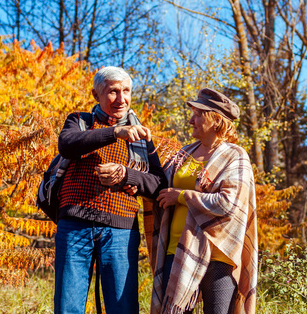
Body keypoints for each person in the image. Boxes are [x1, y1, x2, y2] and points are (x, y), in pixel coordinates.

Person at [54, 66, 166, 314]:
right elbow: (67, 145)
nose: (121, 98)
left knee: (122, 306)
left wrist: (127, 175)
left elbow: (158, 183)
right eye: (113, 91)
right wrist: (115, 132)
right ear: (96, 95)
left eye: (126, 91)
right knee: (67, 306)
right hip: (74, 224)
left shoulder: (142, 136)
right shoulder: (80, 121)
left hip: (121, 229)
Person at [146, 88, 258, 314]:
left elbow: (228, 203)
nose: (190, 120)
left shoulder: (235, 156)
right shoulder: (183, 154)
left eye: (197, 114)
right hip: (175, 250)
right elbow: (158, 186)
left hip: (217, 253)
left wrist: (181, 195)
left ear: (215, 120)